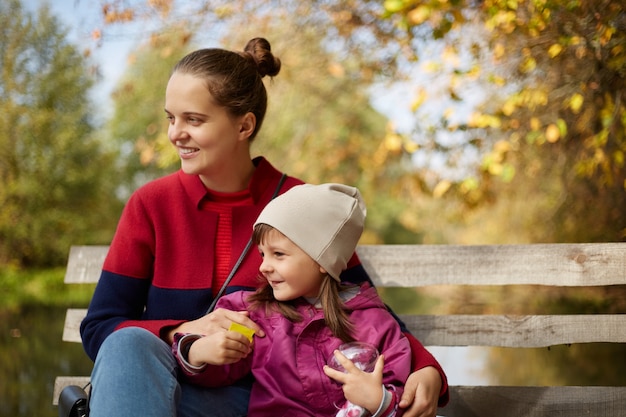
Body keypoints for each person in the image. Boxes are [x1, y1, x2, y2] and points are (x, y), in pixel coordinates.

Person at [80, 37, 448, 417]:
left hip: (269, 401)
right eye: (171, 118)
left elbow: (358, 303)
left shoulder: (297, 203)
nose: (175, 133)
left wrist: (426, 368)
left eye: (194, 119)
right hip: (162, 391)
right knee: (126, 345)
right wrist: (185, 333)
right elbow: (99, 329)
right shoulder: (151, 204)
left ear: (244, 125)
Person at [173, 183, 412, 417]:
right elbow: (224, 366)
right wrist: (198, 352)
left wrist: (381, 401)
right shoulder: (255, 315)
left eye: (278, 254)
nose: (264, 266)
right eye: (262, 254)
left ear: (322, 260)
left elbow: (404, 392)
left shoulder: (374, 324)